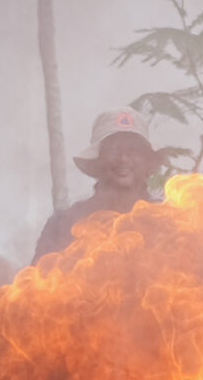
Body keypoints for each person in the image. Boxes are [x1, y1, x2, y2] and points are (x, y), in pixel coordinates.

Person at [35, 109, 163, 264]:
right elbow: (38, 281)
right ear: (97, 159)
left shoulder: (167, 222)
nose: (123, 159)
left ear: (146, 161)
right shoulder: (63, 224)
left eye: (133, 150)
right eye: (113, 149)